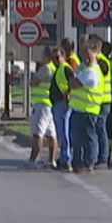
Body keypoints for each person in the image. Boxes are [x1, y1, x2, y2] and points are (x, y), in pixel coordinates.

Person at [67, 42, 104, 174]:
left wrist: (73, 75)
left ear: (95, 56)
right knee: (77, 138)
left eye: (89, 56)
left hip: (87, 110)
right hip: (80, 110)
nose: (86, 59)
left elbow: (74, 84)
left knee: (89, 138)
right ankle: (77, 162)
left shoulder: (91, 72)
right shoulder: (87, 69)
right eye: (84, 55)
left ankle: (89, 163)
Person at [27, 47, 58, 169]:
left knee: (38, 134)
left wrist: (33, 78)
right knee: (52, 134)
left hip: (41, 105)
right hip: (50, 105)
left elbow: (33, 82)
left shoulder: (46, 68)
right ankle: (52, 159)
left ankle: (34, 159)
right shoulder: (54, 68)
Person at [51, 38, 77, 172]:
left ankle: (66, 160)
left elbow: (73, 81)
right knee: (62, 133)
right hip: (59, 103)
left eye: (57, 57)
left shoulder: (66, 68)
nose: (55, 60)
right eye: (53, 58)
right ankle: (64, 158)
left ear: (63, 57)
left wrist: (69, 93)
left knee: (64, 132)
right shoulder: (60, 68)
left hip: (63, 103)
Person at [92, 38, 112, 169]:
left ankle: (102, 158)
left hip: (102, 100)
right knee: (98, 129)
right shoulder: (98, 60)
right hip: (100, 100)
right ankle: (98, 157)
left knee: (100, 129)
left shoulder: (101, 61)